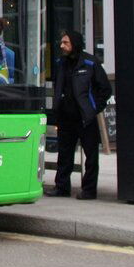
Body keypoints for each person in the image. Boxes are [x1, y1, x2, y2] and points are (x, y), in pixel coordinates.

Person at [52, 29, 113, 199]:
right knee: (64, 155)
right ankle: (62, 187)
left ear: (75, 44)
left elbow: (105, 89)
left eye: (66, 42)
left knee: (91, 156)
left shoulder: (90, 63)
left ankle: (89, 190)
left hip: (85, 118)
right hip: (66, 117)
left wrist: (93, 109)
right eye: (61, 42)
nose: (62, 45)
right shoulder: (60, 63)